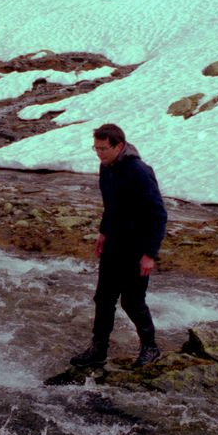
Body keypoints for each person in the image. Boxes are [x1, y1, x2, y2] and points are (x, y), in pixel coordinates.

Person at [70, 123, 168, 369]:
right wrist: (103, 232)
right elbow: (111, 205)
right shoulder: (107, 168)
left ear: (119, 146)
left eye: (104, 149)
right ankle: (98, 350)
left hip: (136, 249)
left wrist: (149, 254)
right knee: (103, 298)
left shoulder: (140, 172)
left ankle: (151, 348)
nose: (99, 154)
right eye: (96, 148)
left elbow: (158, 215)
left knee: (132, 302)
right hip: (113, 245)